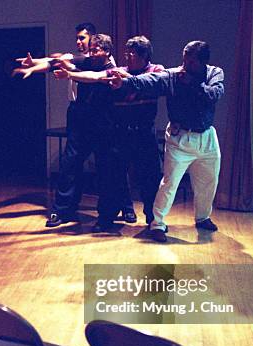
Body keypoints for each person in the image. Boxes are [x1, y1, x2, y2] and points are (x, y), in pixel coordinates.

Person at [13, 24, 137, 227]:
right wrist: (34, 64)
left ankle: (113, 213)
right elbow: (56, 61)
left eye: (91, 45)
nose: (87, 48)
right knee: (70, 163)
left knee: (108, 168)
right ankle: (63, 210)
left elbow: (93, 77)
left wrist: (70, 73)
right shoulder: (86, 59)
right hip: (81, 119)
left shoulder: (111, 67)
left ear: (104, 50)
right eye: (87, 45)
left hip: (104, 121)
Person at [109, 40, 224, 242]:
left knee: (209, 182)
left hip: (206, 137)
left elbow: (214, 94)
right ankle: (157, 224)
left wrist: (192, 83)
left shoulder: (214, 73)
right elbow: (150, 81)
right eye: (184, 61)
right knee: (169, 183)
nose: (185, 66)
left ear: (202, 62)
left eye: (191, 63)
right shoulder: (173, 76)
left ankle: (203, 217)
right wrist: (125, 82)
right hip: (180, 137)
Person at [55, 36, 164, 228]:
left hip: (144, 134)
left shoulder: (156, 70)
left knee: (150, 179)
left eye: (132, 54)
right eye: (127, 53)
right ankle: (106, 218)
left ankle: (154, 221)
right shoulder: (118, 71)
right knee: (111, 178)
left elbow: (154, 83)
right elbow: (95, 76)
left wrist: (129, 81)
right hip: (120, 134)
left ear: (144, 55)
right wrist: (70, 75)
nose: (128, 57)